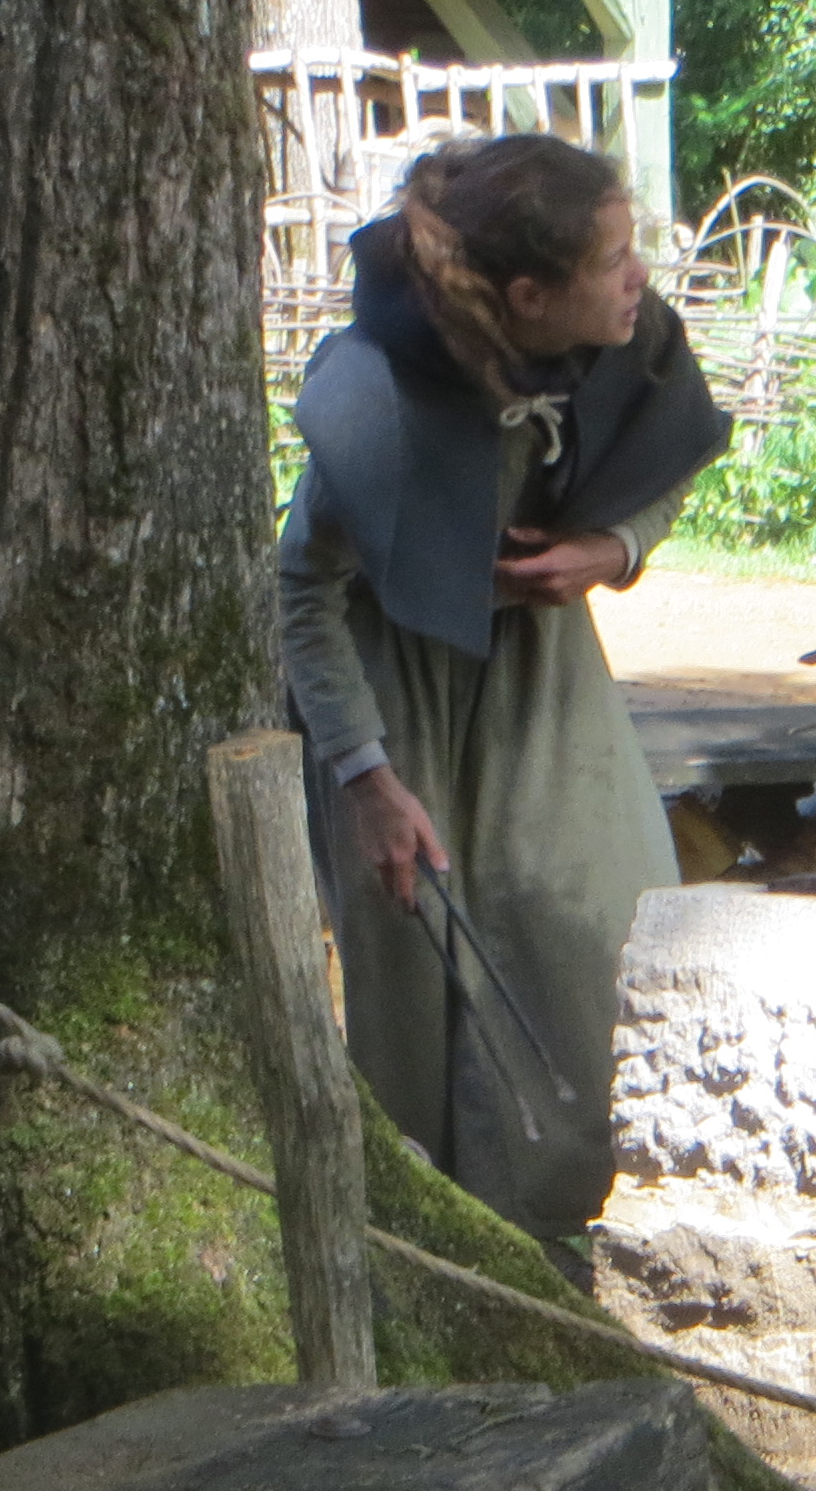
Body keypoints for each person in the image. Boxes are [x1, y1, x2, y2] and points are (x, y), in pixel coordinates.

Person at [278, 136, 730, 1243]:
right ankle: (432, 1259)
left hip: (541, 668)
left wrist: (611, 549)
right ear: (529, 297)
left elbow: (661, 467)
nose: (639, 275)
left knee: (587, 919)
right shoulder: (383, 398)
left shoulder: (624, 342)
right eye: (613, 258)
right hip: (391, 698)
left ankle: (574, 1234)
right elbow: (302, 592)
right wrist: (367, 780)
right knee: (414, 975)